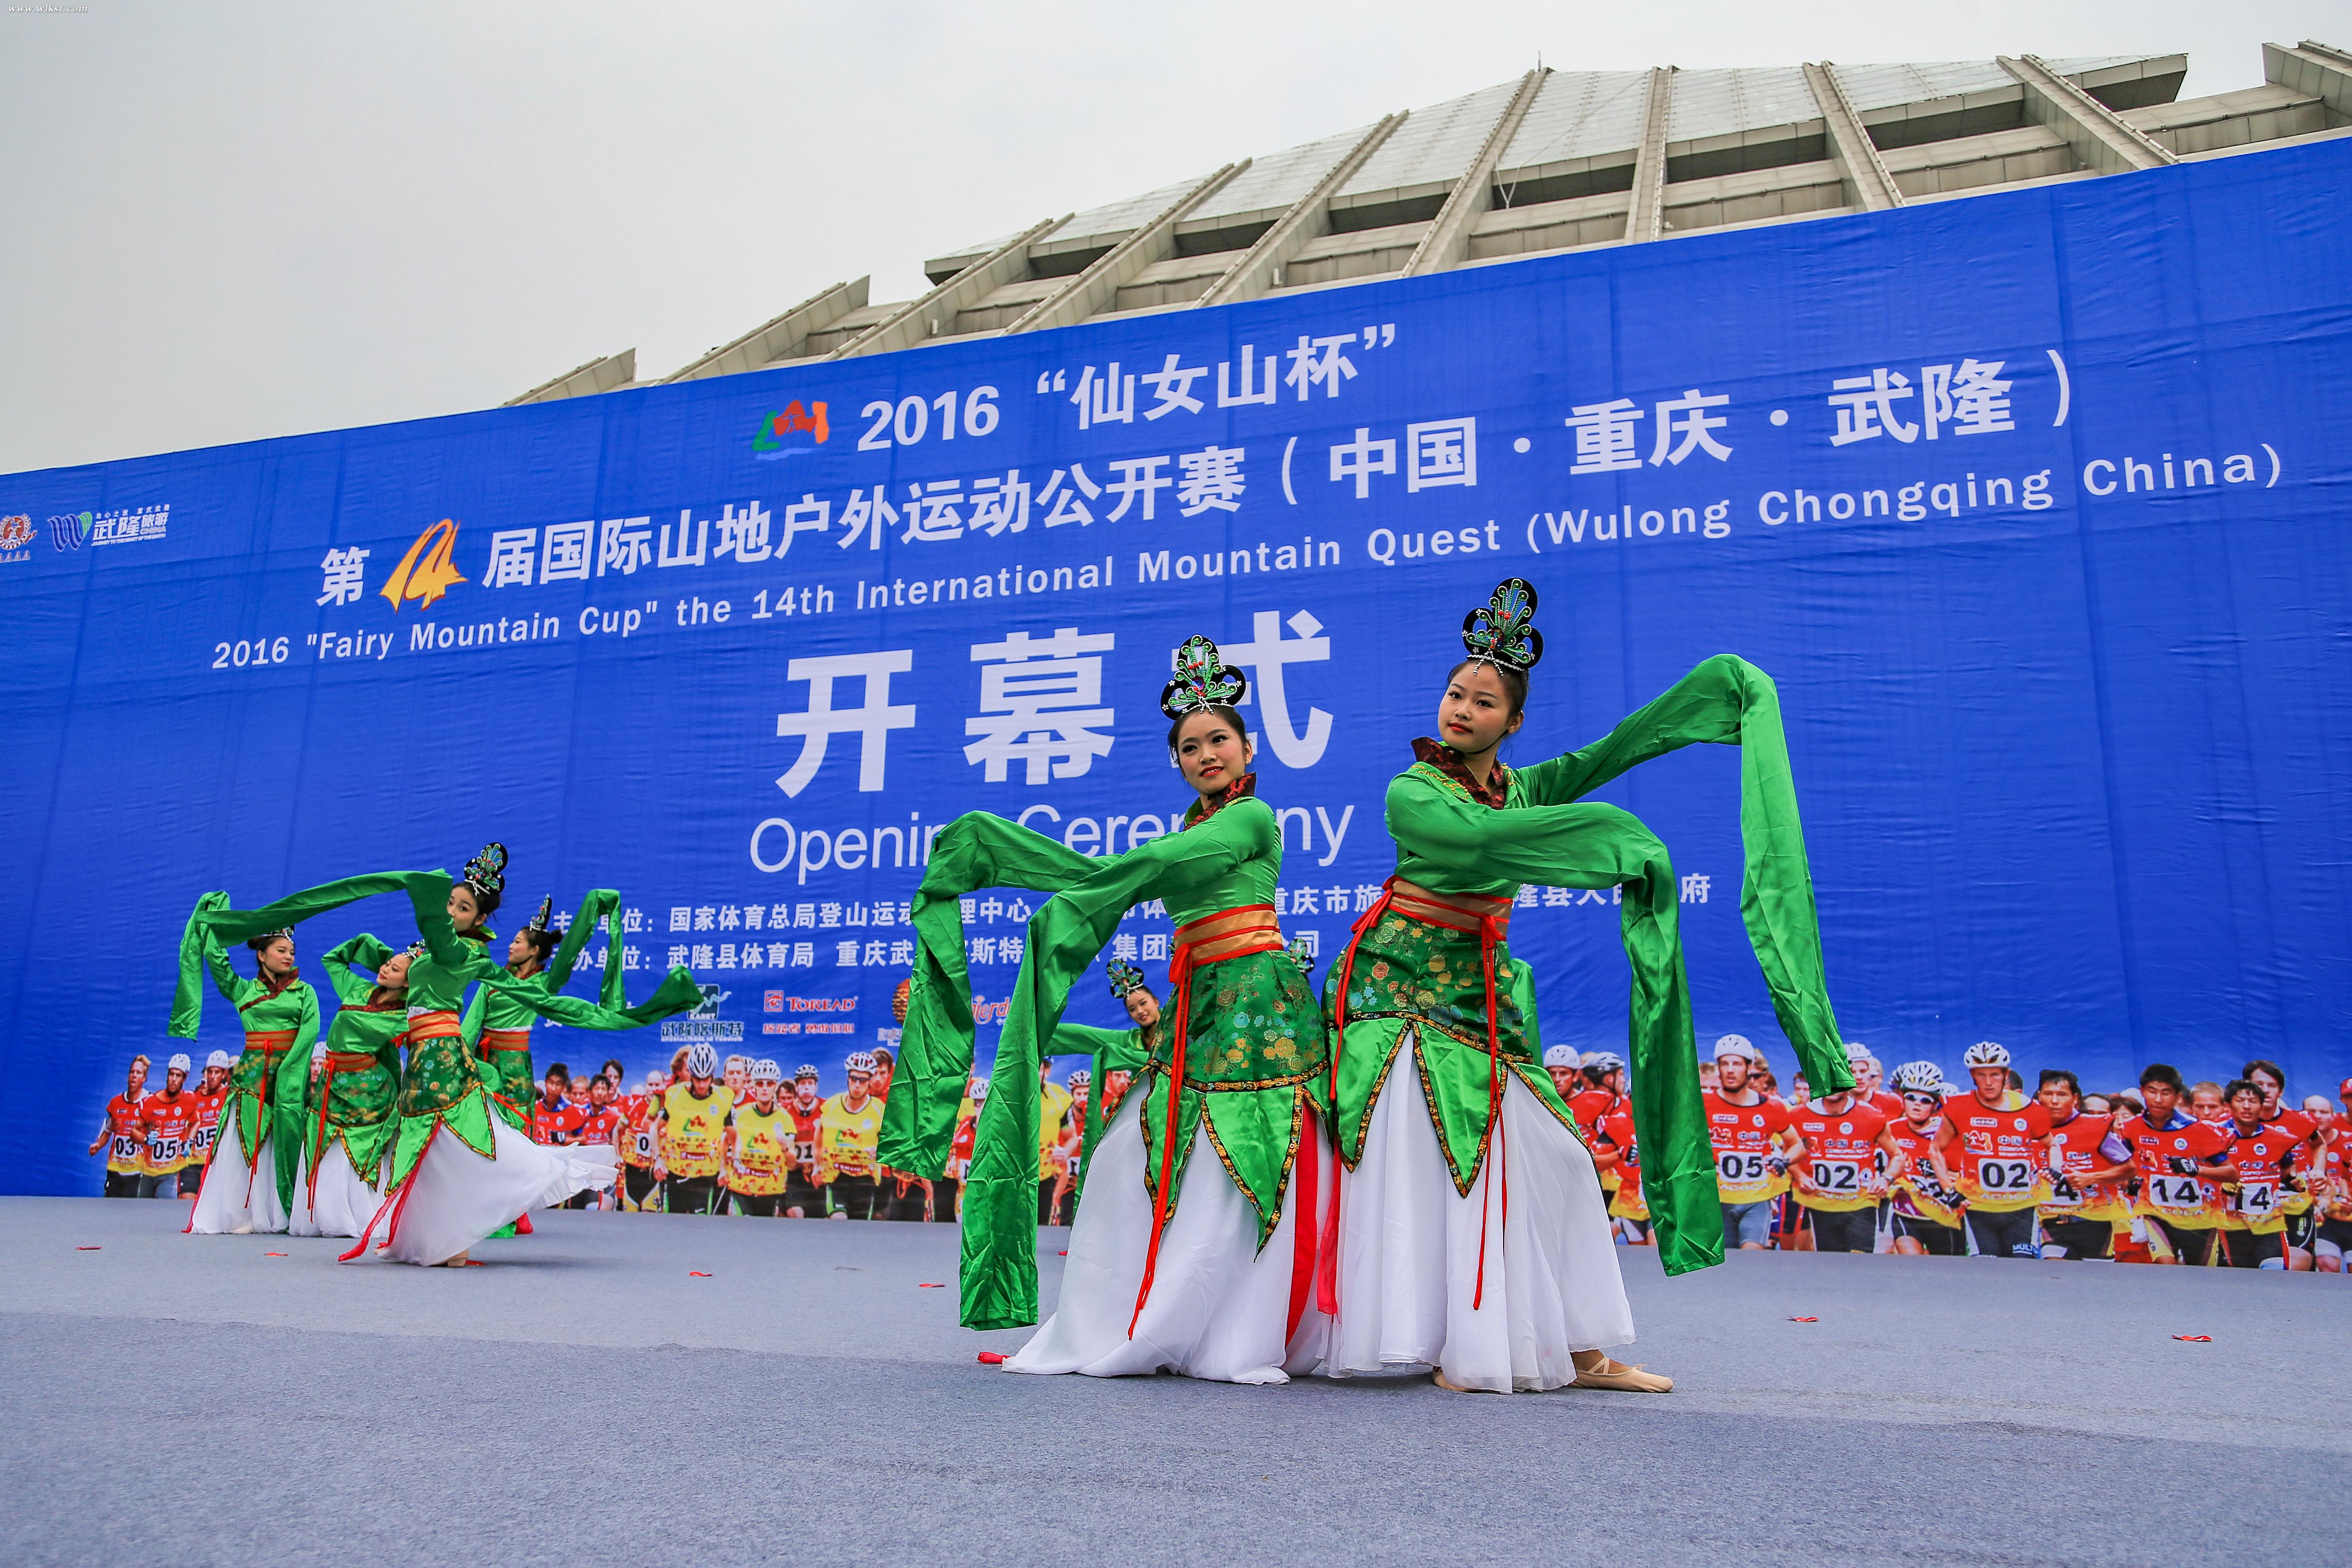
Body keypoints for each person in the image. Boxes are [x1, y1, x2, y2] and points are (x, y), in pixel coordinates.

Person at [1317, 588, 1847, 1393]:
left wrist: (1719, 697)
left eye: (1483, 701)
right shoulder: (1413, 791)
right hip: (1400, 998)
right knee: (1441, 1169)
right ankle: (1461, 1348)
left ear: (1512, 722)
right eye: (1456, 694)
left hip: (1482, 1001)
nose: (1462, 710)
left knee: (1559, 1161)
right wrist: (1622, 838)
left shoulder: (1524, 789)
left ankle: (1578, 1349)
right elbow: (1478, 841)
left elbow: (1612, 751)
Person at [885, 633, 1332, 1382]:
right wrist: (1018, 861)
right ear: (1176, 761)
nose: (1205, 754)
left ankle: (1238, 1334)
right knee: (1136, 1161)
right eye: (1189, 747)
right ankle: (1142, 1320)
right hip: (1198, 1010)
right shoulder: (1194, 827)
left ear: (1247, 747)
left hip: (1258, 1011)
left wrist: (1081, 882)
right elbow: (1150, 867)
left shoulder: (1252, 818)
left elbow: (1154, 867)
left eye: (1218, 740)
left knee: (1245, 1161)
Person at [171, 915, 318, 1235]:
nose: (288, 957)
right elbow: (217, 960)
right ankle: (246, 1214)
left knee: (287, 1142)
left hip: (290, 1079)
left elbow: (309, 1034)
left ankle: (283, 1213)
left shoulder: (305, 992)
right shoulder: (243, 990)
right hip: (252, 1079)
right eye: (281, 951)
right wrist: (213, 922)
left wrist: (290, 1073)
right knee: (248, 1143)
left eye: (292, 952)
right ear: (262, 955)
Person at [290, 936, 411, 1237]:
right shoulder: (357, 988)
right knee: (326, 1148)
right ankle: (326, 1217)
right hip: (331, 1084)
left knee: (358, 1151)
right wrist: (379, 953)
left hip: (369, 1092)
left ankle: (362, 1218)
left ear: (409, 983)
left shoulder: (404, 1016)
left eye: (395, 970)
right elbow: (332, 959)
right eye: (387, 964)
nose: (385, 969)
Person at [1936, 1043, 2051, 1259]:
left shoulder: (2029, 1107)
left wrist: (2054, 1169)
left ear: (2006, 1075)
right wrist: (1948, 1189)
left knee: (2022, 1266)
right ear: (1973, 1076)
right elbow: (1935, 1149)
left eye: (1995, 1075)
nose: (1988, 1082)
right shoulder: (1958, 1106)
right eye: (1982, 1075)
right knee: (1985, 1269)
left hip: (2022, 1209)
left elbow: (2052, 1144)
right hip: (1978, 1208)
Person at [2120, 1063, 2234, 1266]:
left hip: (2199, 1218)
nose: (2158, 1099)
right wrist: (2127, 1182)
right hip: (2156, 1214)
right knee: (2166, 1265)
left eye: (2166, 1093)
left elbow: (2232, 1174)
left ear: (2178, 1097)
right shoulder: (2131, 1128)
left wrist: (2195, 1169)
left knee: (2201, 1277)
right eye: (2152, 1091)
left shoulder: (2199, 1130)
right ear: (2142, 1092)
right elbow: (2123, 1165)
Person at [1703, 1036, 1797, 1251]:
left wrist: (1784, 1160)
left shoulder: (1772, 1108)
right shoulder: (1702, 1104)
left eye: (1737, 1064)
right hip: (1715, 1199)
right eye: (1725, 1064)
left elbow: (1796, 1145)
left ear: (1749, 1067)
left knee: (1751, 1256)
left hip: (1757, 1198)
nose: (1730, 1070)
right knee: (1723, 1261)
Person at [1787, 1077, 1900, 1254]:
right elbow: (1787, 1155)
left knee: (1860, 1260)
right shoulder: (1798, 1116)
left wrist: (1886, 1179)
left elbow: (1897, 1156)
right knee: (1830, 1262)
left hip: (1862, 1203)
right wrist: (1800, 1176)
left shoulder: (1872, 1116)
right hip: (1820, 1203)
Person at [2035, 1069, 2132, 1261]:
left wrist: (2092, 1178)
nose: (2054, 1101)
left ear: (2075, 1099)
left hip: (2096, 1222)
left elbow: (2130, 1169)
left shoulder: (2097, 1127)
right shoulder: (2029, 1129)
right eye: (2048, 1094)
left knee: (2096, 1277)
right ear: (2040, 1097)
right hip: (2052, 1223)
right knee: (2053, 1267)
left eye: (2062, 1095)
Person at [2215, 1078, 2303, 1269]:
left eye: (2253, 1101)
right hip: (2232, 1225)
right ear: (2228, 1105)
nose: (2247, 1106)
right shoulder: (2214, 1136)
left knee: (2276, 1272)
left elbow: (2288, 1168)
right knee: (2242, 1280)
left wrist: (2294, 1180)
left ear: (2262, 1106)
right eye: (2240, 1101)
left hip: (2270, 1223)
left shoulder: (2279, 1139)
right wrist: (2221, 1185)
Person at [1882, 1062, 1965, 1255]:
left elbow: (1962, 1175)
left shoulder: (1947, 1133)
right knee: (1911, 1261)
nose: (1917, 1104)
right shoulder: (1891, 1129)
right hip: (1906, 1214)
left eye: (1925, 1101)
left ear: (1936, 1106)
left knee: (1946, 1269)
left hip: (1944, 1216)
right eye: (1911, 1098)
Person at [659, 1042, 733, 1216]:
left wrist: (726, 1166)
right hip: (676, 1172)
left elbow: (732, 1137)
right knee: (674, 1223)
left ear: (712, 1076)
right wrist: (658, 1159)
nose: (701, 1085)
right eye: (697, 1079)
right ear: (691, 1076)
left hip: (706, 1175)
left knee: (700, 1222)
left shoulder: (723, 1098)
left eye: (706, 1079)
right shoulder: (675, 1094)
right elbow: (655, 1128)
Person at [817, 1051, 884, 1219]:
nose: (857, 1085)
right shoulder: (831, 1105)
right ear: (848, 1079)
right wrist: (817, 1165)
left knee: (859, 1228)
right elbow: (820, 1133)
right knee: (838, 1219)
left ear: (870, 1081)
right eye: (854, 1079)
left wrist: (880, 1150)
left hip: (865, 1179)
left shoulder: (880, 1110)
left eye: (863, 1080)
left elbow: (892, 1143)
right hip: (836, 1177)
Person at [723, 1060, 793, 1216]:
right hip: (742, 1188)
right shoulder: (740, 1114)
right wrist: (725, 1168)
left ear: (776, 1087)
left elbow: (793, 1164)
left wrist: (785, 1149)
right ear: (754, 1086)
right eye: (760, 1084)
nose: (765, 1088)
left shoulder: (785, 1118)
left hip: (771, 1190)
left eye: (769, 1084)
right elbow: (726, 1142)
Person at [137, 1054, 201, 1199]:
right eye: (171, 1074)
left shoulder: (189, 1099)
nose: (173, 1079)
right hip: (149, 1170)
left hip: (171, 1172)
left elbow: (196, 1122)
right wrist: (146, 1138)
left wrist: (189, 1141)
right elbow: (134, 1132)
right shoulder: (152, 1101)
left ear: (185, 1078)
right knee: (141, 1209)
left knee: (164, 1208)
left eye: (178, 1076)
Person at [90, 1055, 152, 1197]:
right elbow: (108, 1130)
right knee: (110, 1208)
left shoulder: (151, 1102)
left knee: (130, 1209)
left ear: (145, 1078)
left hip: (137, 1171)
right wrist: (98, 1146)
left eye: (139, 1073)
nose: (134, 1076)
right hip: (115, 1168)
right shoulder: (116, 1103)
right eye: (132, 1072)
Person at [574, 1074, 625, 1210]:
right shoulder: (578, 1114)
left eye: (603, 1089)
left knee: (594, 1209)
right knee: (575, 1212)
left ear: (608, 1093)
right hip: (580, 1173)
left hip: (601, 1176)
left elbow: (616, 1142)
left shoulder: (614, 1117)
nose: (600, 1093)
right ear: (590, 1091)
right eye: (597, 1089)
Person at [781, 1065, 826, 1219]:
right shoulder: (785, 1112)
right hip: (796, 1174)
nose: (807, 1088)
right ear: (796, 1087)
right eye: (802, 1084)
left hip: (820, 1172)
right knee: (796, 1214)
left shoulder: (827, 1109)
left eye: (810, 1083)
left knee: (820, 1218)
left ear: (816, 1087)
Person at [186, 1050, 233, 1187]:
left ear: (224, 1074)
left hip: (218, 1162)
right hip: (194, 1163)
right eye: (210, 1072)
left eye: (217, 1072)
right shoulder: (195, 1097)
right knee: (186, 1199)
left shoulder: (230, 1095)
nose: (212, 1077)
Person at [618, 1072, 662, 1211]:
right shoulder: (633, 1105)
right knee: (629, 1216)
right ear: (645, 1086)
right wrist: (618, 1155)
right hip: (633, 1172)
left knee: (650, 1216)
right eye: (650, 1085)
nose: (654, 1089)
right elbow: (617, 1130)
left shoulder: (667, 1108)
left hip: (653, 1173)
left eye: (657, 1085)